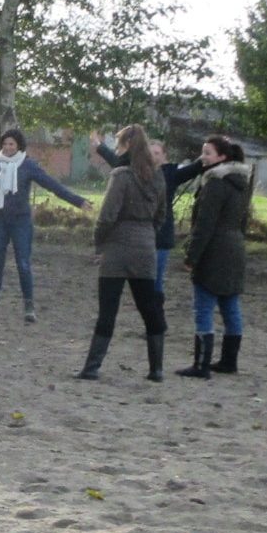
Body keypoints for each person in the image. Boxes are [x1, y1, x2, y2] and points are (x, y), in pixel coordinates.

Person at [0, 129, 93, 322]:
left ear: (18, 146)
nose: (8, 147)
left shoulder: (28, 165)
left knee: (23, 264)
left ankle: (29, 305)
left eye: (11, 144)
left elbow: (53, 185)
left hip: (21, 222)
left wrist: (78, 201)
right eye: (5, 144)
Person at [75, 125, 168, 381]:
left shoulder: (121, 176)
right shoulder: (157, 176)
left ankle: (92, 367)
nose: (116, 149)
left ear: (126, 145)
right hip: (145, 247)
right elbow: (161, 216)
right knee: (149, 308)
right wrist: (147, 234)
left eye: (118, 144)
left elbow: (107, 216)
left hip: (117, 248)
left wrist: (99, 243)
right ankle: (156, 369)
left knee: (108, 310)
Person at [175, 136, 252, 379]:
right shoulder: (241, 183)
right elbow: (243, 220)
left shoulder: (215, 184)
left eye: (207, 153)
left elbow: (204, 225)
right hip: (235, 247)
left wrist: (191, 256)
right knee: (230, 306)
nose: (203, 157)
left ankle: (201, 364)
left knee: (204, 307)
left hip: (214, 250)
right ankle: (229, 361)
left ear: (222, 157)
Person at [95, 136, 204, 294]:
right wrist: (100, 146)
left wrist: (215, 150)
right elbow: (116, 161)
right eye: (150, 152)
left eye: (157, 153)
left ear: (164, 155)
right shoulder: (135, 172)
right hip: (138, 238)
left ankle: (156, 305)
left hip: (161, 236)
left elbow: (196, 167)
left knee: (155, 282)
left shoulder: (171, 173)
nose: (153, 156)